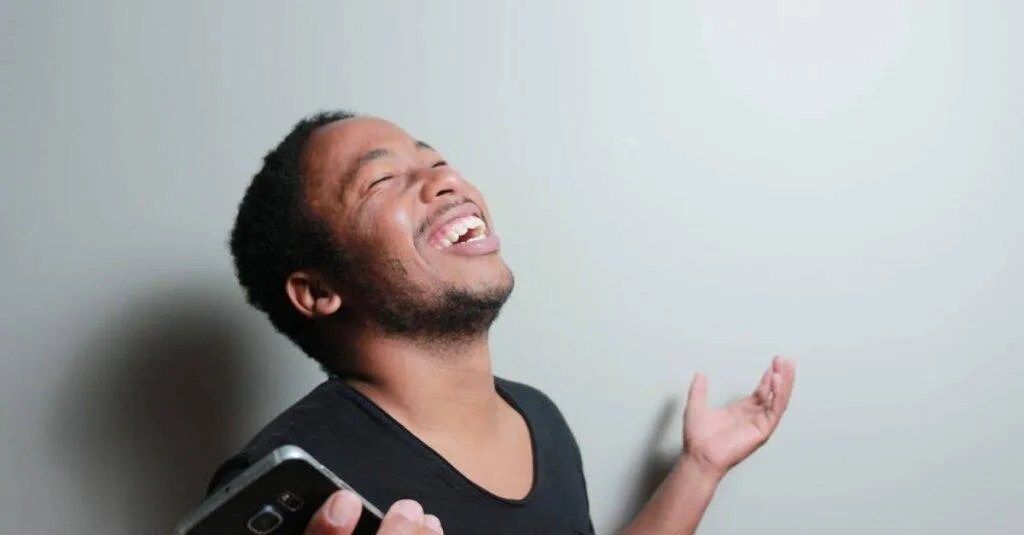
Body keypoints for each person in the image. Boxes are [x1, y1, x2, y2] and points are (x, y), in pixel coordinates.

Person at [208, 110, 797, 534]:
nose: (447, 181)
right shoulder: (288, 486)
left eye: (438, 162)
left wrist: (698, 469)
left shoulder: (538, 418)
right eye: (383, 180)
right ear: (317, 290)